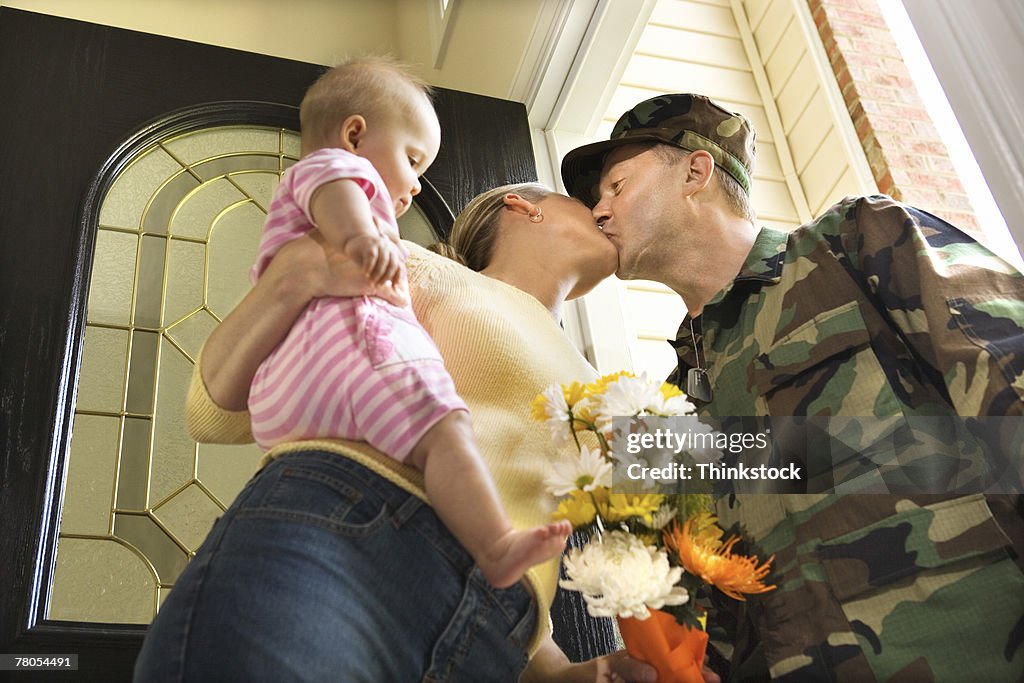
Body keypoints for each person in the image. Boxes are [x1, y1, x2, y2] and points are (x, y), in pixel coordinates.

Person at [135, 162, 716, 681]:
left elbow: (759, 461)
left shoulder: (606, 388)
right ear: (522, 205)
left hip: (493, 629)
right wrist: (294, 276)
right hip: (354, 536)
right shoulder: (414, 265)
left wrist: (567, 673)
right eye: (589, 199)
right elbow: (212, 412)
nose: (603, 210)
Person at [561, 92, 1024, 681]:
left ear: (696, 173)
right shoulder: (669, 409)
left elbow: (1009, 381)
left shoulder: (853, 242)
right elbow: (711, 604)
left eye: (615, 186)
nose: (598, 211)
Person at [245, 56, 572, 590]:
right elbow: (339, 190)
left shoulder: (308, 206)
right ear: (354, 135)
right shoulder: (337, 178)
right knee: (445, 431)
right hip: (354, 353)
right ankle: (494, 544)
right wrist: (363, 239)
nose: (417, 185)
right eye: (413, 160)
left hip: (286, 404)